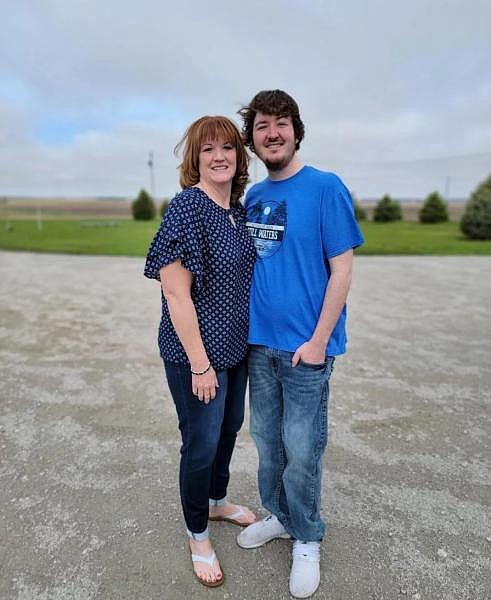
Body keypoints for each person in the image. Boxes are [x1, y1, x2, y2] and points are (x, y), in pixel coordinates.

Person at [236, 90, 364, 598]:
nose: (272, 133)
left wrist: (317, 341)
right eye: (262, 125)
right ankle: (281, 517)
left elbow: (343, 269)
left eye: (280, 123)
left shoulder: (325, 188)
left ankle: (307, 536)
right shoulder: (253, 198)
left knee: (302, 447)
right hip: (258, 346)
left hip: (306, 351)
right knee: (267, 443)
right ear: (253, 139)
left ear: (295, 130)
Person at [144, 116, 257, 587]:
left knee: (229, 429)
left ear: (238, 156)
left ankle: (215, 502)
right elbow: (176, 294)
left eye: (227, 147)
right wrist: (199, 364)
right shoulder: (187, 208)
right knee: (201, 442)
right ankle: (197, 534)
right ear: (195, 159)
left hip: (234, 349)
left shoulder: (237, 210)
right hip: (197, 356)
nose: (219, 156)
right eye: (208, 149)